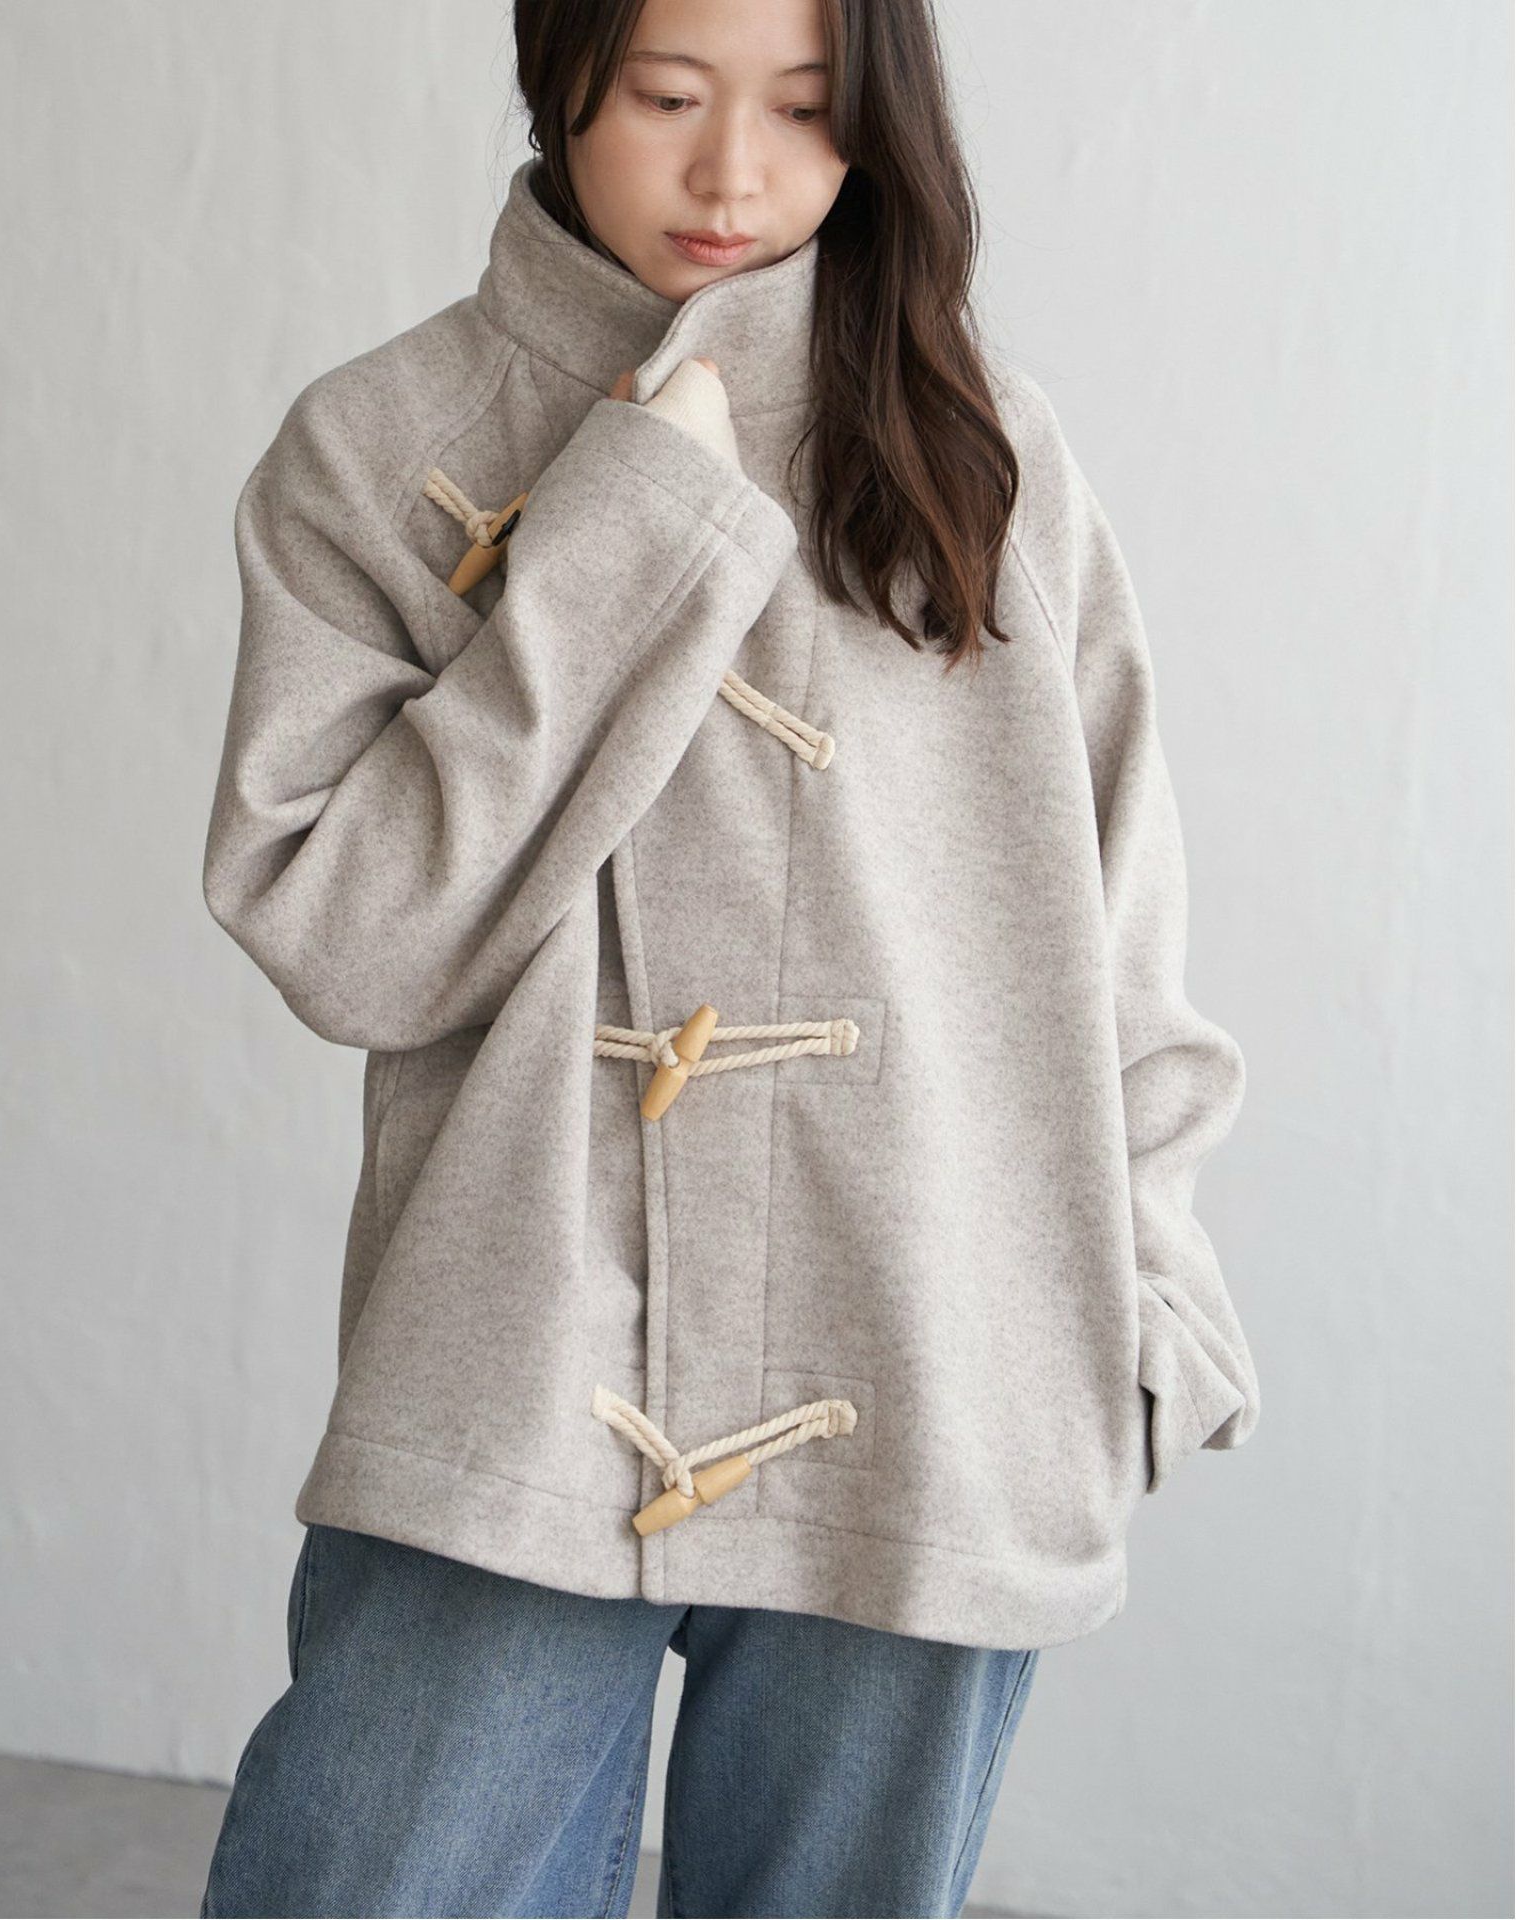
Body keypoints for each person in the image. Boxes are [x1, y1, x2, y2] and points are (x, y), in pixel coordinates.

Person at [197, 0, 1261, 1914]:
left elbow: (1123, 922)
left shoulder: (983, 451)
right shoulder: (378, 452)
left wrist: (1153, 1307)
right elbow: (350, 939)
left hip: (941, 1346)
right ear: (562, 75)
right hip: (519, 1349)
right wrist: (628, 528)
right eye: (668, 97)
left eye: (804, 110)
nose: (732, 175)